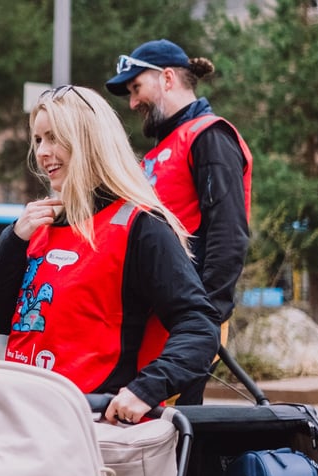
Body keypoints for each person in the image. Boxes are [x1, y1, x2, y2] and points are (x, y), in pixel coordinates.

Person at [0, 85, 219, 425]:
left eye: (54, 137)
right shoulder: (35, 227)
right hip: (26, 420)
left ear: (88, 141)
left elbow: (199, 325)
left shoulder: (141, 225)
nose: (43, 152)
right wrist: (13, 241)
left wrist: (146, 390)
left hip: (98, 430)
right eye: (37, 140)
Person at [106, 39, 253, 405]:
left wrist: (203, 323)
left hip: (185, 322)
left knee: (173, 433)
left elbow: (228, 233)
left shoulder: (209, 136)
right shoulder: (160, 150)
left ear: (167, 78)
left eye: (136, 87)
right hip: (153, 315)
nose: (133, 102)